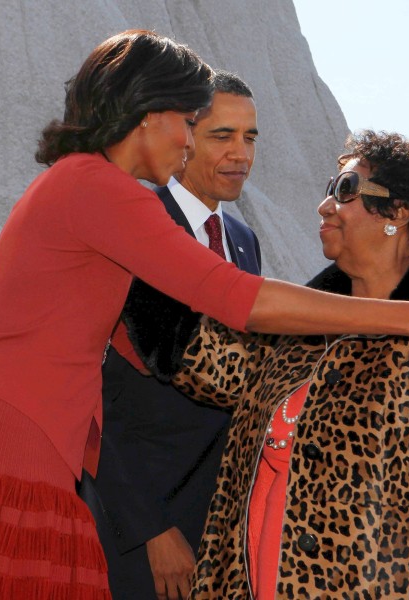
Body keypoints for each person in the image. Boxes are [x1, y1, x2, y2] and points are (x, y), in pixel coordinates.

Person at [0, 31, 409, 599]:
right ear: (148, 116)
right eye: (190, 122)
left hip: (11, 447)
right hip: (3, 453)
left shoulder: (81, 186)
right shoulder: (100, 189)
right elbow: (236, 299)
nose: (193, 141)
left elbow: (170, 347)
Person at [122, 131, 409, 599]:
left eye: (345, 190)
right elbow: (193, 354)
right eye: (328, 190)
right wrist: (136, 224)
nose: (325, 205)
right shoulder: (299, 328)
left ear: (398, 213)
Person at [81, 70, 261, 600]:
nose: (240, 153)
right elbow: (93, 389)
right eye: (222, 135)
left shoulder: (245, 240)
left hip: (219, 522)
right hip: (139, 524)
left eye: (250, 137)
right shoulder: (133, 223)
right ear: (185, 136)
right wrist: (148, 529)